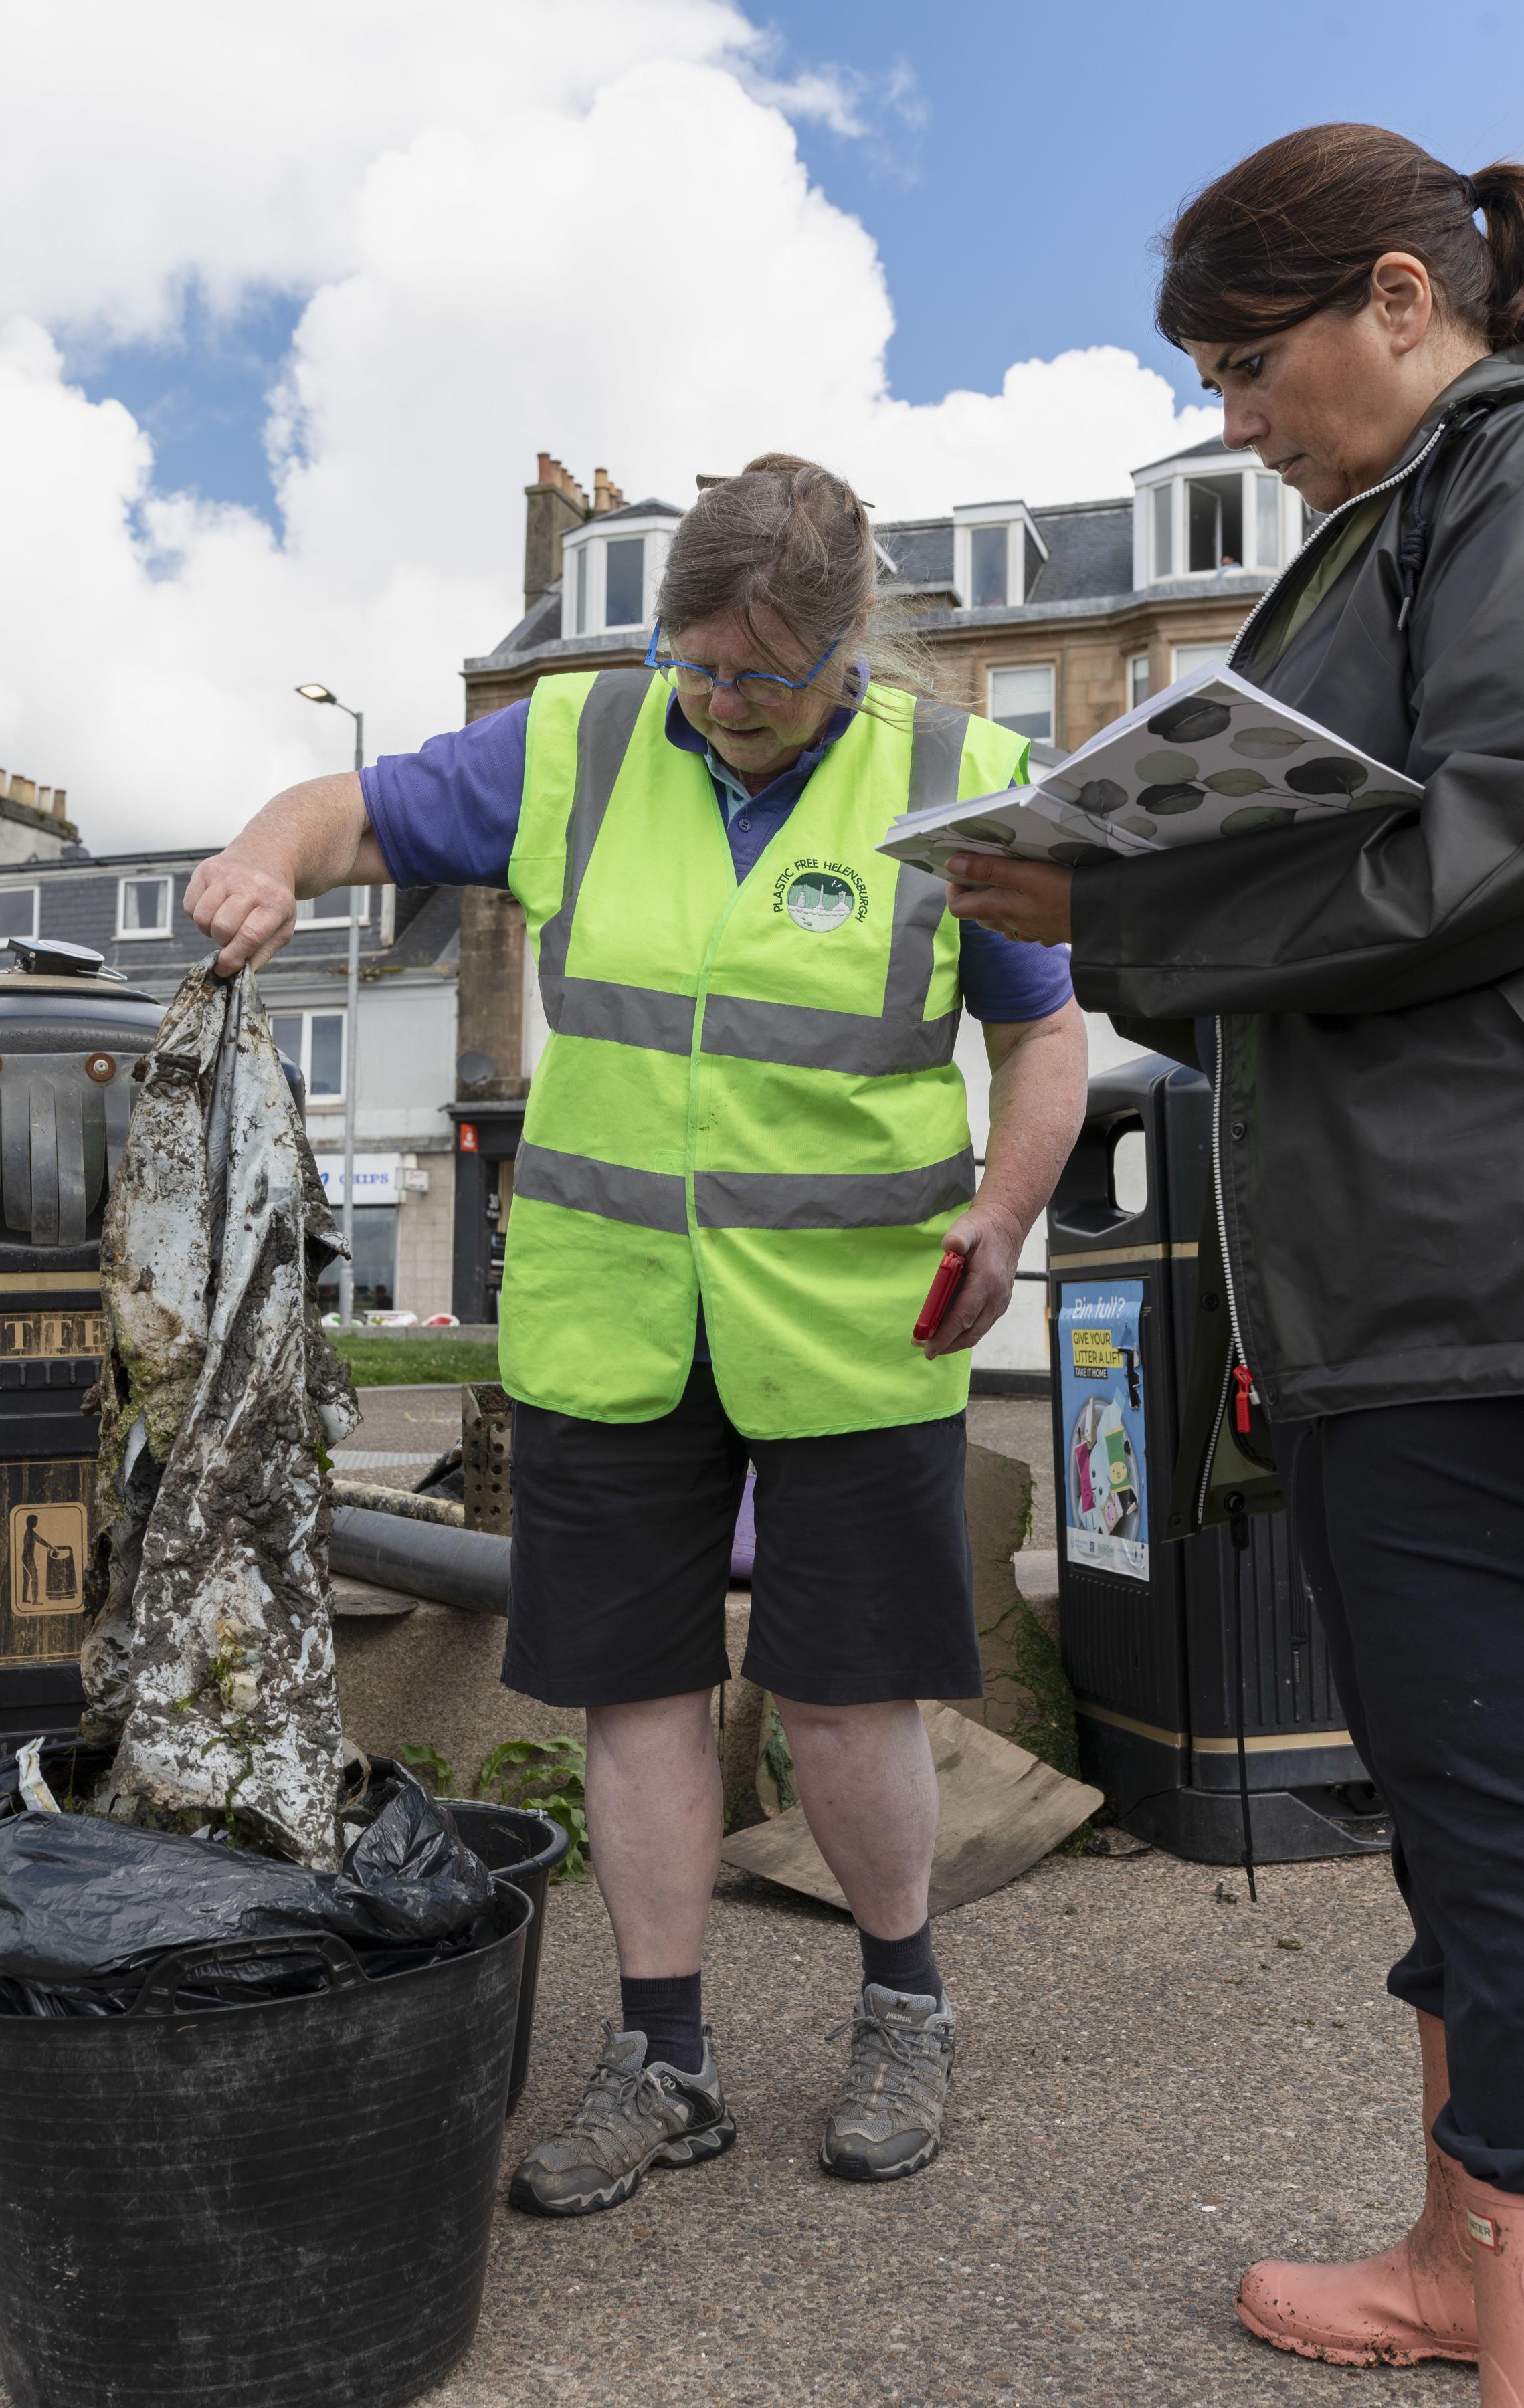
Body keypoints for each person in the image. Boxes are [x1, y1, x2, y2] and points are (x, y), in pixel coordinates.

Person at [187, 452, 1087, 2216]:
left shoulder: (956, 780)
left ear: (848, 651)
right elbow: (352, 811)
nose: (722, 701)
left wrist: (1004, 1212)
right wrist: (260, 853)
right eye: (698, 662)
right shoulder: (580, 742)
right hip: (614, 1321)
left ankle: (903, 2005)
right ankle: (662, 2056)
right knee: (638, 1697)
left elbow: (1044, 1040)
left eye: (765, 673)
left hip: (849, 1324)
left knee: (840, 1704)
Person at [947, 124, 1524, 2395]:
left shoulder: (1495, 483)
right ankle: (1455, 2257)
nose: (1231, 418)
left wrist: (1128, 912)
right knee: (1461, 1816)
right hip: (1397, 1285)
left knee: (1496, 1835)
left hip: (1468, 1295)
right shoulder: (1397, 517)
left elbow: (1488, 841)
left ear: (1401, 297)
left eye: (1249, 362)